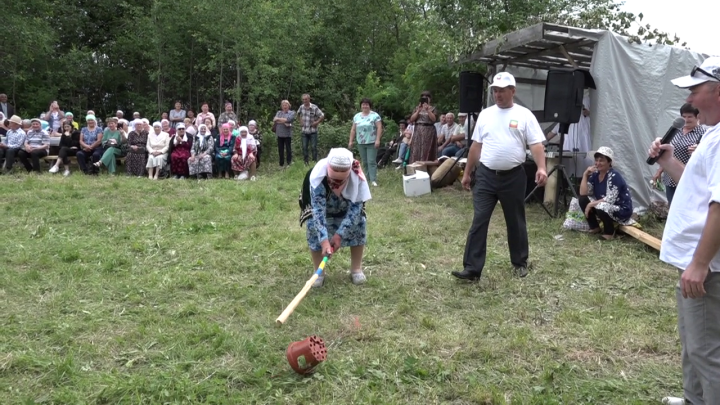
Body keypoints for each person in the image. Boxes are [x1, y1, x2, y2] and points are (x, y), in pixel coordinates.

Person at [648, 56, 720, 405]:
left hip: (706, 266)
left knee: (706, 350)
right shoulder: (712, 134)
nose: (689, 100)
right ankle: (694, 400)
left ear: (718, 90)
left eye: (695, 90)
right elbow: (696, 188)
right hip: (695, 261)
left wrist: (701, 263)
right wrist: (667, 161)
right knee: (694, 344)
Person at [452, 72, 547, 281]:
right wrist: (467, 173)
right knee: (479, 220)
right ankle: (472, 269)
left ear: (513, 91)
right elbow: (476, 146)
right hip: (486, 176)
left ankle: (520, 262)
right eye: (495, 90)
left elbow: (536, 144)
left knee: (515, 220)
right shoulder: (485, 115)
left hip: (513, 177)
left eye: (502, 90)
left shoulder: (524, 115)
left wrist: (541, 168)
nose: (498, 94)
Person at [298, 148, 372, 287]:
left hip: (346, 209)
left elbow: (355, 210)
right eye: (333, 179)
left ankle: (356, 269)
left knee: (359, 222)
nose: (336, 183)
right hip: (323, 210)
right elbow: (318, 211)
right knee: (313, 225)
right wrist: (324, 241)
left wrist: (339, 235)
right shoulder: (316, 177)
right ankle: (319, 272)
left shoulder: (357, 176)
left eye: (341, 180)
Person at [652, 103, 705, 206]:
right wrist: (659, 171)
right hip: (670, 177)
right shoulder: (676, 131)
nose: (686, 119)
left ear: (697, 117)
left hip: (689, 178)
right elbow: (666, 153)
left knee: (687, 206)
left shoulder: (703, 134)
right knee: (672, 205)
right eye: (684, 116)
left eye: (690, 116)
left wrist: (699, 150)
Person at [578, 147, 634, 239]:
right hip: (607, 207)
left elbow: (610, 199)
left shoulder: (614, 175)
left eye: (601, 160)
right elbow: (583, 193)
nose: (598, 163)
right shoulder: (595, 175)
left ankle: (609, 233)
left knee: (601, 205)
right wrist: (585, 175)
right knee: (583, 199)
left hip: (621, 209)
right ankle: (595, 227)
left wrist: (591, 204)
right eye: (596, 160)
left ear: (609, 162)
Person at [348, 98, 382, 186]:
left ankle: (373, 180)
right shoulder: (357, 116)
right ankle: (366, 179)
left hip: (372, 141)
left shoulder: (375, 115)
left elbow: (379, 128)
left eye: (367, 104)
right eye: (363, 104)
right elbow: (353, 129)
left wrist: (378, 139)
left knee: (371, 161)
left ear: (370, 106)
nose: (365, 106)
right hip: (361, 142)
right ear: (361, 106)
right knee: (365, 162)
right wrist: (351, 141)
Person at [409, 90, 438, 164]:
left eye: (427, 97)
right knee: (416, 148)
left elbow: (434, 119)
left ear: (430, 99)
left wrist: (428, 110)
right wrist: (418, 111)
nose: (425, 99)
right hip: (418, 129)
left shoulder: (433, 108)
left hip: (429, 130)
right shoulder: (417, 108)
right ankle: (415, 165)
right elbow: (412, 119)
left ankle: (426, 165)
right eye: (423, 97)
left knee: (427, 149)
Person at [296, 93, 325, 165]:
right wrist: (300, 121)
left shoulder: (314, 107)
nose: (304, 101)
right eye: (303, 99)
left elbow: (322, 115)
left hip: (313, 131)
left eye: (306, 99)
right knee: (304, 147)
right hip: (304, 131)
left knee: (313, 147)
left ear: (309, 99)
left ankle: (314, 162)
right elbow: (298, 114)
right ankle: (306, 162)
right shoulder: (301, 107)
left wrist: (317, 122)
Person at [273, 100, 295, 167]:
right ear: (281, 106)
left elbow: (288, 120)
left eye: (286, 105)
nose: (284, 106)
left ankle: (289, 162)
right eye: (283, 105)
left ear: (289, 106)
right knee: (280, 149)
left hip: (287, 134)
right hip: (279, 134)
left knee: (288, 149)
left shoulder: (292, 113)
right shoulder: (279, 112)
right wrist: (284, 121)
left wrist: (279, 120)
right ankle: (281, 163)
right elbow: (274, 120)